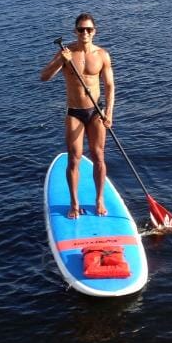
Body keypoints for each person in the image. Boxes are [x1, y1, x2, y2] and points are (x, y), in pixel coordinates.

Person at [40, 13, 114, 219]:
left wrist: (109, 113)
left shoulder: (102, 55)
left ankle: (99, 200)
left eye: (89, 29)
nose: (85, 33)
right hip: (75, 112)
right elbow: (43, 77)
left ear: (94, 31)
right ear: (75, 31)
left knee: (99, 157)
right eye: (81, 29)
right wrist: (59, 62)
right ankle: (74, 203)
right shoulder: (66, 52)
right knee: (74, 159)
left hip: (96, 112)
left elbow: (109, 86)